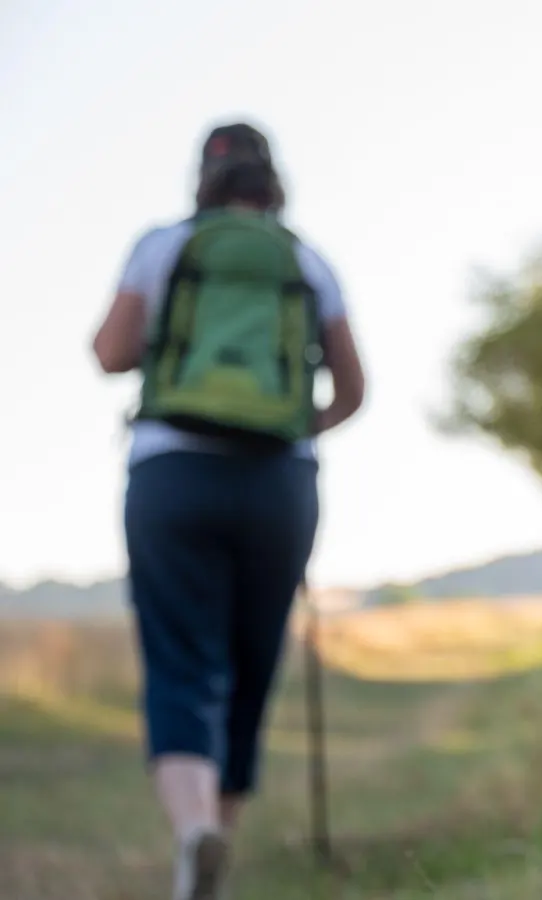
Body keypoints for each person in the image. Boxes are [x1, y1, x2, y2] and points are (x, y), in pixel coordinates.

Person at [90, 121, 366, 900]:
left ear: (202, 181)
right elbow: (353, 391)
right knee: (250, 667)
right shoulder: (308, 263)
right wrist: (290, 423)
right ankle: (219, 849)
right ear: (272, 183)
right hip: (278, 483)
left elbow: (110, 353)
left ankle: (192, 834)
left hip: (172, 473)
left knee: (183, 662)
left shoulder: (163, 246)